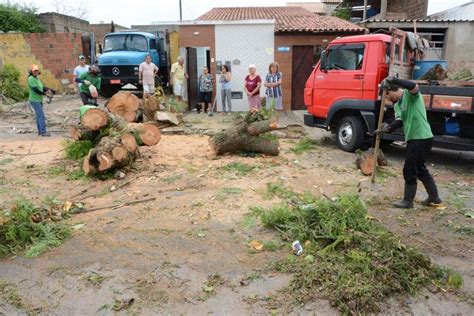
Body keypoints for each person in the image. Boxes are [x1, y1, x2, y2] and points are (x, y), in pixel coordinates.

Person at [375, 76, 442, 208]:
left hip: (421, 137)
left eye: (387, 96)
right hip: (414, 138)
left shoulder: (410, 95)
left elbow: (414, 86)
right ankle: (434, 197)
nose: (388, 100)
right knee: (420, 168)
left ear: (391, 90)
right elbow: (400, 121)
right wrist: (387, 128)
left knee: (409, 169)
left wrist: (395, 79)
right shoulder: (398, 105)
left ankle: (408, 201)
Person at [27, 64, 55, 137]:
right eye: (34, 71)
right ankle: (43, 132)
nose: (36, 72)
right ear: (31, 72)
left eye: (37, 70)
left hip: (38, 99)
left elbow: (42, 87)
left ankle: (40, 131)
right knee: (41, 116)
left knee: (39, 116)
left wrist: (50, 89)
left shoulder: (37, 78)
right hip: (34, 100)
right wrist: (45, 93)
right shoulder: (31, 79)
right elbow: (36, 90)